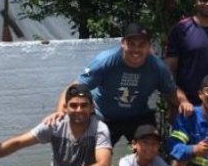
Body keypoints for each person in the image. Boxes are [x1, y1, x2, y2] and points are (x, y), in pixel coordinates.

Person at [48, 22, 180, 144]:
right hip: (104, 116)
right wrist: (60, 112)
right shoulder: (105, 62)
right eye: (131, 44)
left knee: (150, 152)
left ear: (149, 46)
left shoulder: (157, 67)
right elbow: (74, 88)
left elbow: (172, 93)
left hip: (138, 117)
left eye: (141, 45)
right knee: (92, 157)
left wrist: (180, 111)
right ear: (122, 43)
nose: (136, 49)